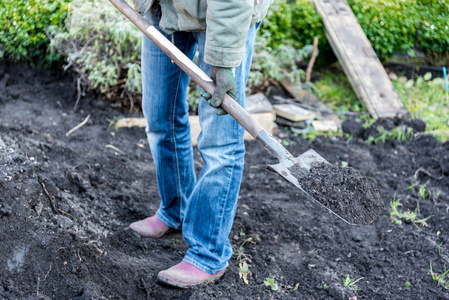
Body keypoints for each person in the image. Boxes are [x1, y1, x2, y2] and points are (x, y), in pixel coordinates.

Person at [129, 0, 272, 288]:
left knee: (220, 141)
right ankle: (175, 210)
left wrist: (224, 59)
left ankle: (208, 253)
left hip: (222, 19)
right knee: (160, 118)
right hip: (165, 8)